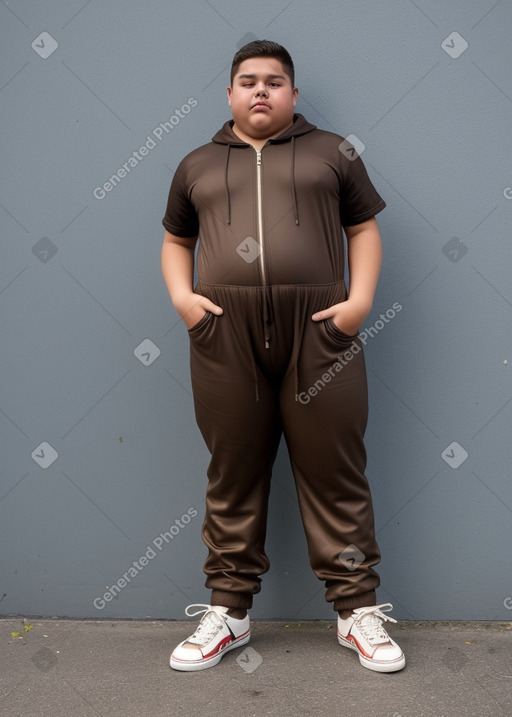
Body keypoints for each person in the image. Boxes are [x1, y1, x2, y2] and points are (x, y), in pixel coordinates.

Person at [161, 39, 405, 674]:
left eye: (274, 81)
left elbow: (364, 229)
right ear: (230, 93)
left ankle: (358, 612)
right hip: (225, 333)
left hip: (319, 330)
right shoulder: (196, 164)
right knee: (233, 470)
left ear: (294, 94)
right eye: (248, 81)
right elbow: (174, 240)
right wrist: (186, 303)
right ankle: (229, 614)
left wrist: (357, 305)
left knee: (335, 468)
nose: (261, 90)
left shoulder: (334, 153)